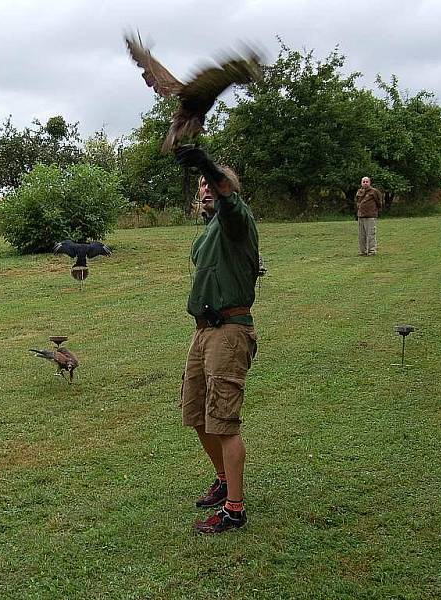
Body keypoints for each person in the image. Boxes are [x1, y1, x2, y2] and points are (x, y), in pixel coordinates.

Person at [174, 145, 260, 534]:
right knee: (196, 414)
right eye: (200, 185)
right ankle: (224, 479)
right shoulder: (210, 229)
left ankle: (234, 511)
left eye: (210, 183)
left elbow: (227, 197)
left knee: (224, 422)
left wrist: (206, 164)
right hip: (204, 330)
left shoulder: (235, 219)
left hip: (229, 331)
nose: (205, 189)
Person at [355, 176, 383, 256]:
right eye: (363, 182)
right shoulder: (359, 192)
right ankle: (362, 251)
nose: (365, 183)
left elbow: (379, 202)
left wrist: (376, 211)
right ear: (361, 183)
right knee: (361, 236)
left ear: (370, 183)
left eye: (367, 181)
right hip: (361, 216)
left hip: (370, 216)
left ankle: (372, 251)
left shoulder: (374, 191)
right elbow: (357, 203)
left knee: (371, 234)